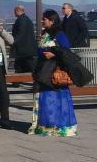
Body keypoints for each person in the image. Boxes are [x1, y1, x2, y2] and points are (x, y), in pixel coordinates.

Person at [28, 9, 77, 137]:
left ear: (52, 21)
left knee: (56, 99)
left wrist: (53, 54)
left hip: (54, 73)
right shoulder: (44, 34)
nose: (42, 21)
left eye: (44, 19)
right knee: (44, 99)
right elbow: (38, 50)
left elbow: (66, 51)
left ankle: (58, 126)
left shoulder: (60, 34)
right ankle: (45, 125)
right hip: (43, 72)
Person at [11, 5, 37, 73]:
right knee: (20, 66)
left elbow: (20, 33)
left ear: (17, 11)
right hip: (27, 49)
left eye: (14, 11)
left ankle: (38, 81)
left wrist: (13, 42)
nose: (14, 13)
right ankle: (16, 82)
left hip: (24, 49)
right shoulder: (26, 19)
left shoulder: (21, 20)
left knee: (30, 67)